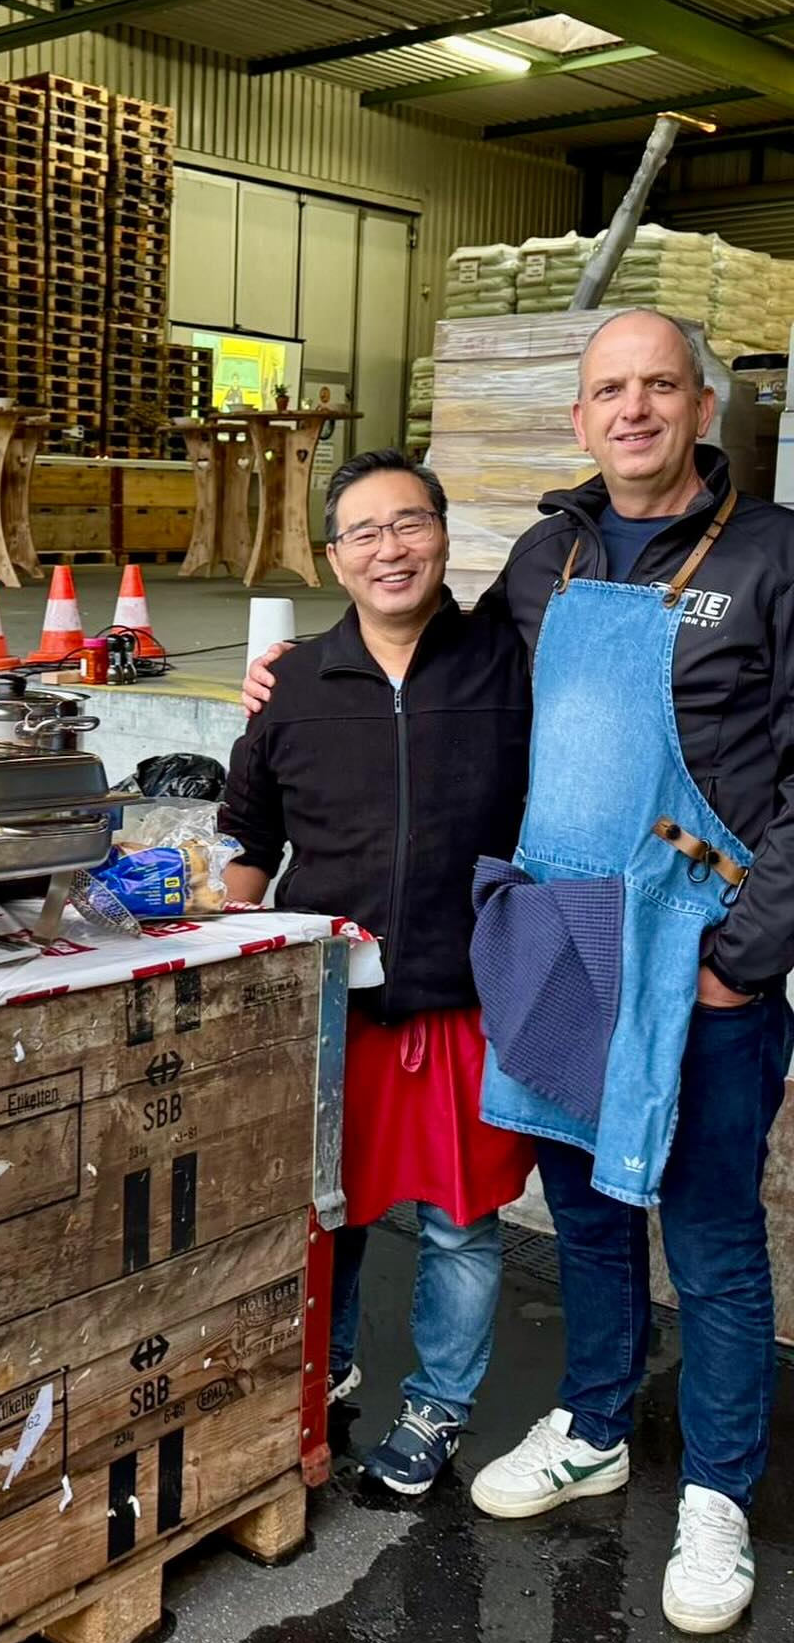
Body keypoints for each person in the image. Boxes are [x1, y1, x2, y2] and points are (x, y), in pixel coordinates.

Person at [244, 309, 794, 1634]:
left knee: (711, 1234)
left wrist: (746, 950)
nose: (635, 409)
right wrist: (295, 676)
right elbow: (439, 662)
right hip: (564, 951)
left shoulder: (777, 559)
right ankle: (595, 1422)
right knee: (592, 1218)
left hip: (701, 948)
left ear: (703, 408)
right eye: (611, 389)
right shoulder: (547, 556)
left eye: (660, 386)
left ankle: (717, 1491)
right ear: (581, 419)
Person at [219, 447, 534, 1495]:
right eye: (364, 531)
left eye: (410, 524)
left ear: (444, 537)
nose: (389, 548)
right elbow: (250, 834)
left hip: (468, 990)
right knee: (329, 1206)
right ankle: (328, 1365)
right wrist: (234, 939)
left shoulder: (507, 661)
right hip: (332, 999)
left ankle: (439, 1406)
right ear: (333, 557)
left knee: (460, 1223)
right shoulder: (297, 684)